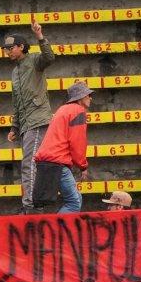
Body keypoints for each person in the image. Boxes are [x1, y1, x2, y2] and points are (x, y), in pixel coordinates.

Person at [3, 23, 55, 213]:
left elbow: (50, 57)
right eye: (6, 49)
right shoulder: (15, 72)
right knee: (35, 163)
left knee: (29, 163)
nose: (7, 52)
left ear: (21, 47)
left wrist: (40, 36)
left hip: (38, 120)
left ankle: (30, 204)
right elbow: (16, 101)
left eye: (10, 48)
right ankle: (35, 203)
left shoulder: (34, 60)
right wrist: (14, 127)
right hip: (26, 124)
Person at [31, 81, 92, 213]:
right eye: (88, 95)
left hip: (47, 160)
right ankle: (56, 232)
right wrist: (83, 166)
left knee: (76, 198)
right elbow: (77, 142)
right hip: (57, 162)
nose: (90, 98)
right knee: (74, 203)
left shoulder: (63, 109)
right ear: (81, 97)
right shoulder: (78, 111)